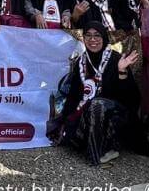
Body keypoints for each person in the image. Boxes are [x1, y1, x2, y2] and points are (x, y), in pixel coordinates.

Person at [50, 24, 142, 164]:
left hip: (115, 115)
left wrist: (122, 72)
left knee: (97, 104)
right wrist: (64, 122)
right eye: (88, 35)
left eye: (97, 35)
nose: (93, 39)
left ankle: (97, 153)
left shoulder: (115, 59)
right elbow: (73, 96)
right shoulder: (82, 61)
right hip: (87, 112)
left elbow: (131, 99)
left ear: (104, 38)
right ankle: (97, 143)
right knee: (74, 137)